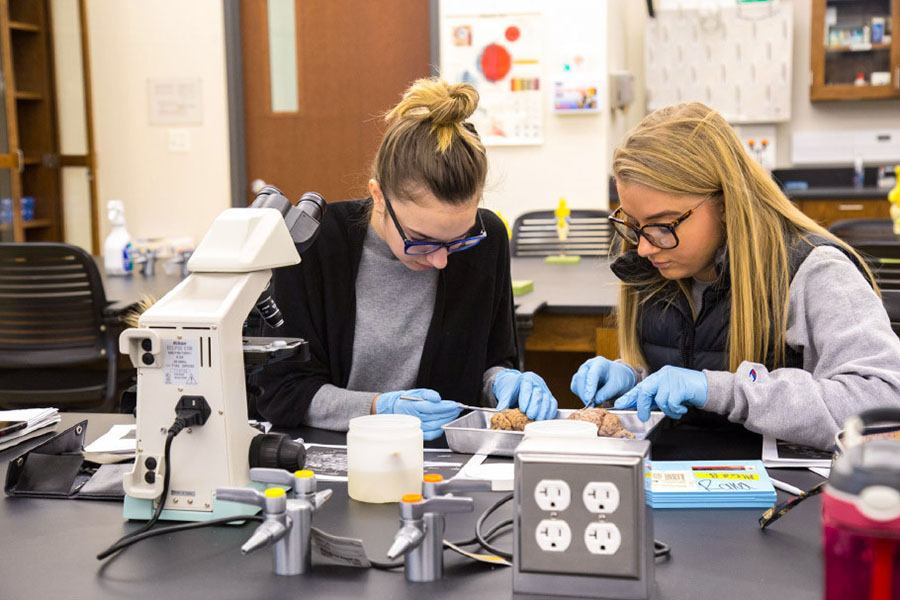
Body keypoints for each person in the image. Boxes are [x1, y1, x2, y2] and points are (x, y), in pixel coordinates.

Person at [571, 102, 900, 450]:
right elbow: (688, 364)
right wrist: (633, 376)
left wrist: (721, 390)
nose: (644, 249)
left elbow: (883, 402)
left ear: (726, 203)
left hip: (783, 495)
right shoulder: (660, 265)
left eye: (663, 225)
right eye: (634, 226)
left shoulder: (814, 272)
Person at [254, 78, 557, 439]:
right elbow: (282, 392)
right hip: (334, 455)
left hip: (445, 460)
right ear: (379, 196)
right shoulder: (314, 243)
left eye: (458, 239)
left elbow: (489, 366)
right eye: (422, 241)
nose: (442, 260)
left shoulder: (486, 240)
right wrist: (378, 408)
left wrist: (506, 382)